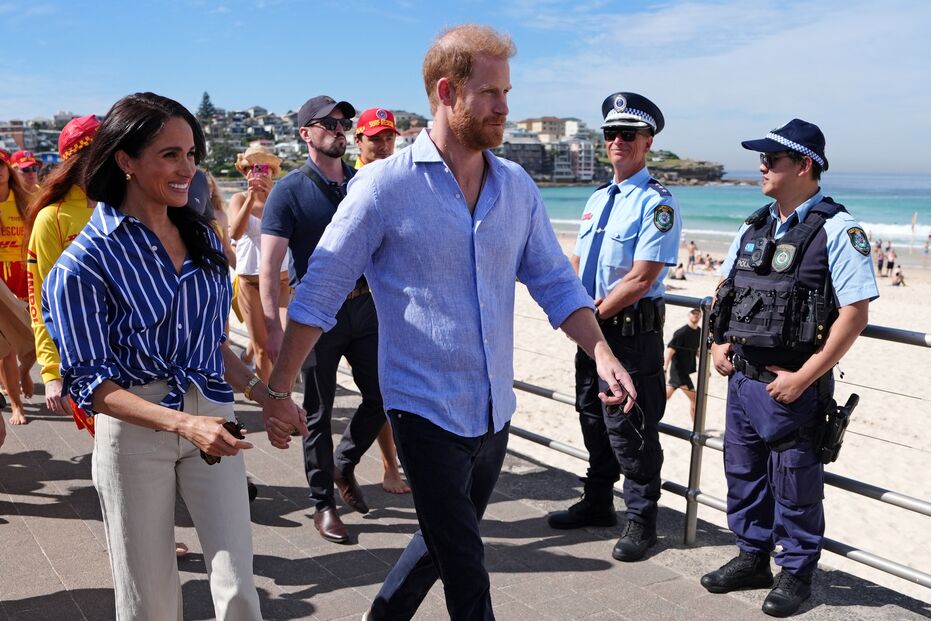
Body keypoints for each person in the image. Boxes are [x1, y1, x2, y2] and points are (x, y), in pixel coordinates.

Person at [261, 25, 636, 620]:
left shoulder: (515, 186)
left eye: (507, 92)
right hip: (422, 407)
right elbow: (319, 292)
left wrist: (603, 353)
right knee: (466, 565)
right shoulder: (383, 187)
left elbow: (554, 283)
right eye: (490, 92)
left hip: (494, 412)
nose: (504, 108)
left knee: (440, 543)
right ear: (447, 91)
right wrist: (278, 388)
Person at [42, 92, 299, 620]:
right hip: (137, 429)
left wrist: (266, 395)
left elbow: (209, 343)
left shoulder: (202, 237)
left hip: (213, 417)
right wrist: (184, 425)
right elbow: (91, 386)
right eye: (170, 155)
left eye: (192, 153)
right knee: (148, 596)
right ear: (125, 161)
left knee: (238, 587)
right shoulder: (82, 263)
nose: (188, 169)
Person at [702, 119, 878, 617]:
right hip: (744, 379)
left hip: (794, 385)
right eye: (762, 158)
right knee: (743, 473)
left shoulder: (839, 230)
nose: (761, 166)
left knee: (796, 483)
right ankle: (752, 558)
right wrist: (718, 341)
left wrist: (806, 376)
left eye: (772, 160)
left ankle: (796, 573)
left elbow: (856, 313)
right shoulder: (754, 223)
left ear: (803, 166)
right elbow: (725, 288)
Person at [547, 91, 681, 564]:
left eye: (628, 134)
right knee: (590, 415)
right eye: (610, 134)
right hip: (592, 329)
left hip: (630, 334)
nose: (617, 141)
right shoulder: (598, 198)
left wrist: (585, 318)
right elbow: (581, 263)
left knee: (632, 427)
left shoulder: (657, 203)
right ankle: (598, 501)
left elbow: (643, 278)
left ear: (647, 142)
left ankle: (642, 521)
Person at [260, 95, 386, 543]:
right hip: (316, 315)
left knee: (382, 396)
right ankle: (323, 504)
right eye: (328, 122)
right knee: (318, 413)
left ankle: (343, 463)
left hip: (365, 307)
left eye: (344, 122)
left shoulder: (362, 183)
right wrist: (274, 327)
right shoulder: (289, 190)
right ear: (305, 133)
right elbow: (270, 263)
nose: (339, 128)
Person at [24, 114, 100, 422]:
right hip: (82, 357)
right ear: (79, 160)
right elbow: (40, 299)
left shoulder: (127, 206)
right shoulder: (51, 218)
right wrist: (51, 372)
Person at [353, 107, 410, 495]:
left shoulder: (400, 179)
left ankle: (398, 463)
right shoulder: (348, 182)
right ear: (358, 140)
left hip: (388, 300)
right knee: (376, 391)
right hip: (351, 302)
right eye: (375, 137)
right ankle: (382, 465)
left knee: (391, 388)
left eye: (389, 136)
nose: (383, 144)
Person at [229, 145, 289, 383]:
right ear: (245, 172)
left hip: (282, 281)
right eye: (252, 168)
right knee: (262, 349)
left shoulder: (281, 197)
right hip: (250, 283)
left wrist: (272, 196)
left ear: (272, 172)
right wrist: (251, 198)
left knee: (283, 345)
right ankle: (270, 404)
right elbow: (234, 233)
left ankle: (282, 393)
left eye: (263, 168)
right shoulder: (239, 199)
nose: (258, 173)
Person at [0, 148, 37, 425]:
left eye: (1, 164)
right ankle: (16, 406)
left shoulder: (26, 200)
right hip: (0, 278)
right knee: (6, 347)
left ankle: (25, 371)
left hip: (24, 274)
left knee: (37, 336)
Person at [664, 308, 702, 420]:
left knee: (665, 396)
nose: (695, 315)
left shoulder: (699, 331)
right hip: (679, 371)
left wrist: (704, 367)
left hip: (685, 370)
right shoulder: (681, 333)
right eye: (693, 313)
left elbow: (695, 350)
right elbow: (670, 350)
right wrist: (665, 369)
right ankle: (696, 426)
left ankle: (649, 409)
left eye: (698, 313)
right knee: (695, 398)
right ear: (689, 315)